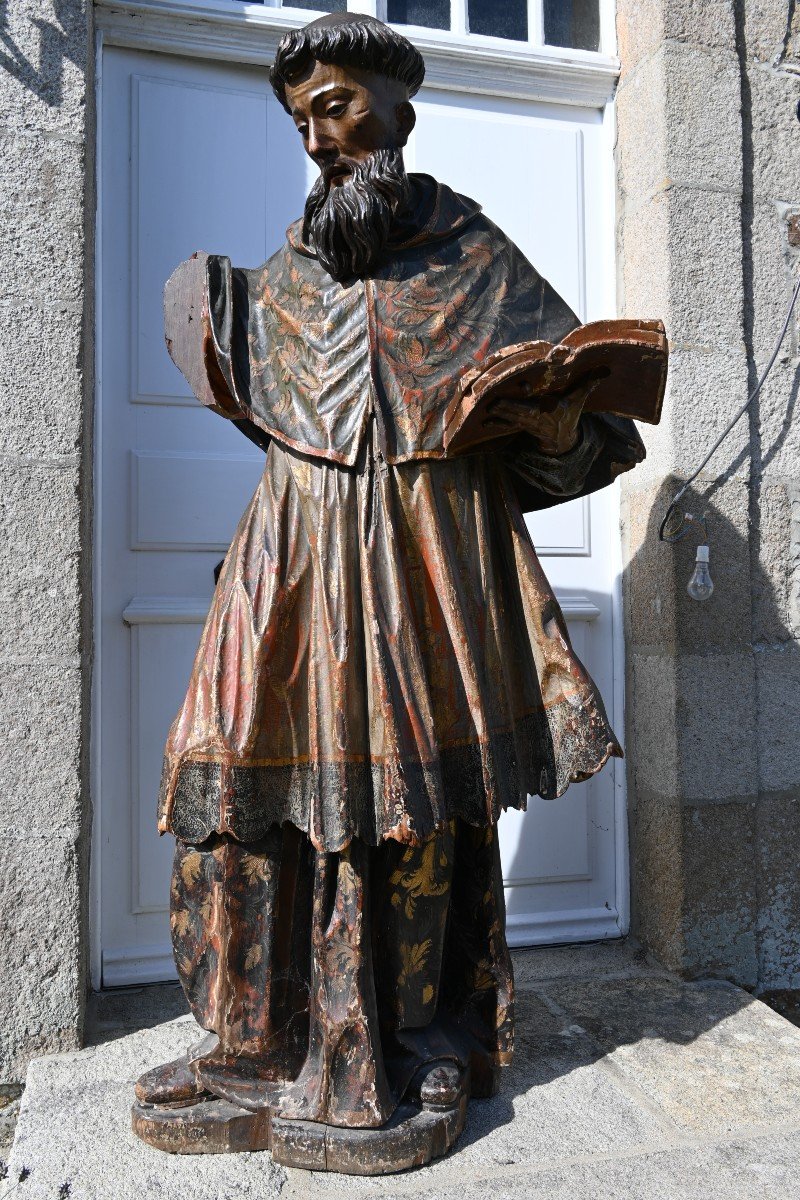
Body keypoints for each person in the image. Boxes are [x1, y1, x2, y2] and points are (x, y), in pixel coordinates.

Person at [133, 12, 645, 1163]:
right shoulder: (284, 275)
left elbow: (572, 450)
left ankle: (411, 1040)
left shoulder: (475, 260)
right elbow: (250, 377)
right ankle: (251, 1044)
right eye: (301, 118)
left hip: (425, 564)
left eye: (337, 107)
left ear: (398, 110)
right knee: (230, 795)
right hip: (291, 565)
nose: (319, 139)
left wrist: (548, 407)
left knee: (407, 812)